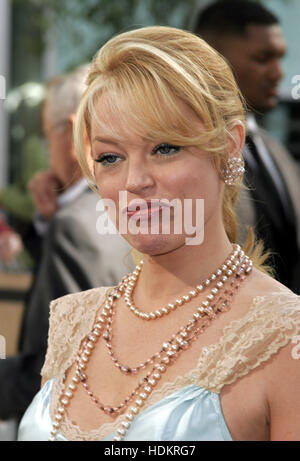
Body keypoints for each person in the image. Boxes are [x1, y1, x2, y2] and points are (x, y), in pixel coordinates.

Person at [18, 26, 300, 442]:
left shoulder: (284, 335)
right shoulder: (73, 321)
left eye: (165, 148)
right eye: (110, 157)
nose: (134, 181)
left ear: (228, 149)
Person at [0, 65, 134, 423]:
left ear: (75, 134)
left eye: (46, 136)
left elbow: (64, 372)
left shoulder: (75, 225)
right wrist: (45, 225)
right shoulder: (129, 209)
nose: (46, 152)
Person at [192, 0, 300, 294]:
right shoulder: (181, 156)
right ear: (213, 60)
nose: (278, 73)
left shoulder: (275, 152)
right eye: (264, 58)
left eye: (280, 58)